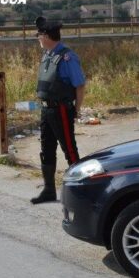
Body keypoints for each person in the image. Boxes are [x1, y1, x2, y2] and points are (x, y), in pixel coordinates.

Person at [31, 16, 86, 204]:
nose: (37, 38)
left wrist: (76, 110)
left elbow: (79, 85)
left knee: (69, 149)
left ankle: (80, 192)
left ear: (46, 36)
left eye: (39, 35)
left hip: (61, 109)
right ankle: (49, 190)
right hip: (46, 110)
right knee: (46, 149)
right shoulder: (47, 54)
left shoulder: (67, 57)